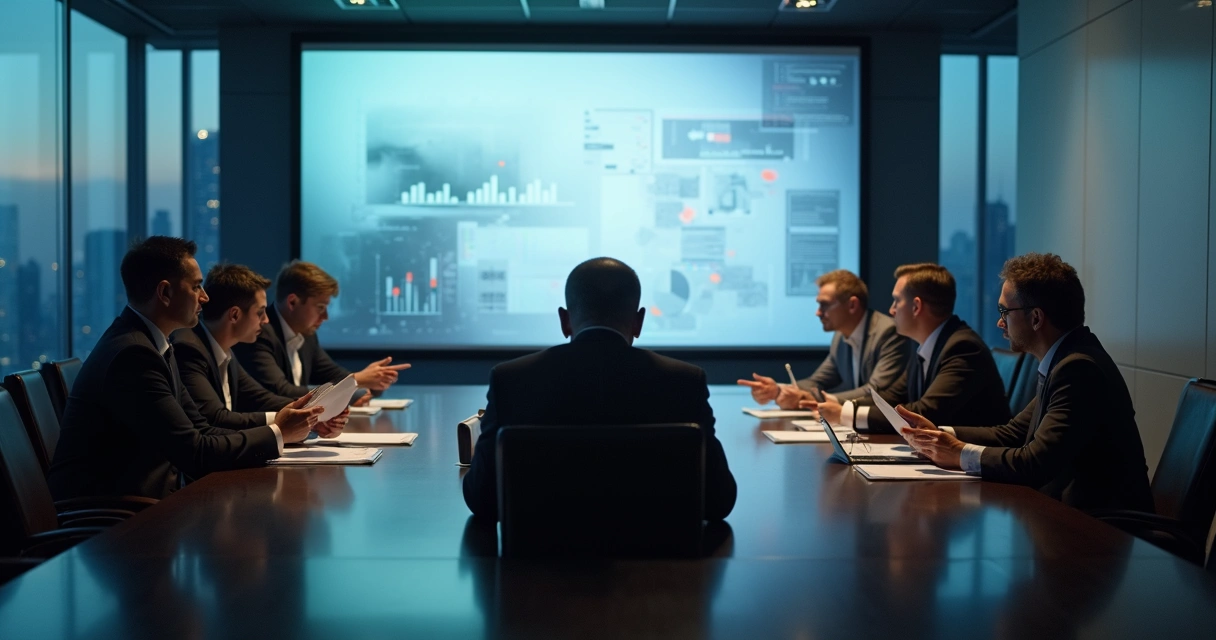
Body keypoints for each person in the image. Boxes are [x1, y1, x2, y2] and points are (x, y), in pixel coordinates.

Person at [48, 237, 342, 500]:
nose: (205, 297)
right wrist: (278, 432)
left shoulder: (155, 344)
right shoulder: (134, 355)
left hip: (148, 505)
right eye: (196, 286)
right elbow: (195, 452)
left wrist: (284, 426)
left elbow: (202, 428)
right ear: (165, 293)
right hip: (117, 519)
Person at [462, 257, 738, 521]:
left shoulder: (511, 379)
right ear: (639, 322)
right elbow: (719, 500)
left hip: (540, 553)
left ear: (565, 320)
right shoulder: (684, 381)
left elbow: (482, 499)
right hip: (656, 553)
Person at [897, 253, 1153, 511]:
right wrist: (939, 434)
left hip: (1105, 527)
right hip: (1072, 517)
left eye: (1004, 311)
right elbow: (1012, 434)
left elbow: (1035, 464)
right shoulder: (1064, 359)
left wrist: (958, 453)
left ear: (1036, 318)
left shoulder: (1079, 369)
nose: (1000, 322)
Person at [803, 263, 1010, 434]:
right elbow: (892, 396)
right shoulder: (928, 345)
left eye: (896, 301)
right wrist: (846, 408)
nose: (891, 310)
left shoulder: (963, 348)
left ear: (916, 307)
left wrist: (846, 414)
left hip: (976, 468)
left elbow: (926, 412)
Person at [173, 263, 350, 431]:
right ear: (234, 315)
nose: (266, 320)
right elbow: (215, 418)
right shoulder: (189, 349)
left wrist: (314, 414)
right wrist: (285, 419)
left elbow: (260, 398)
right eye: (260, 313)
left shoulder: (224, 350)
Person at [233, 260, 410, 398]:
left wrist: (372, 383)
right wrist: (357, 381)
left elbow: (334, 376)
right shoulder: (259, 333)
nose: (325, 316)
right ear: (292, 302)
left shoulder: (307, 335)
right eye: (320, 307)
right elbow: (281, 391)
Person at [737, 269, 911, 408]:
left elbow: (875, 392)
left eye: (824, 305)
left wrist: (820, 400)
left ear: (852, 305)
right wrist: (778, 390)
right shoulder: (840, 336)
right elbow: (817, 382)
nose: (818, 312)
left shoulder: (888, 332)